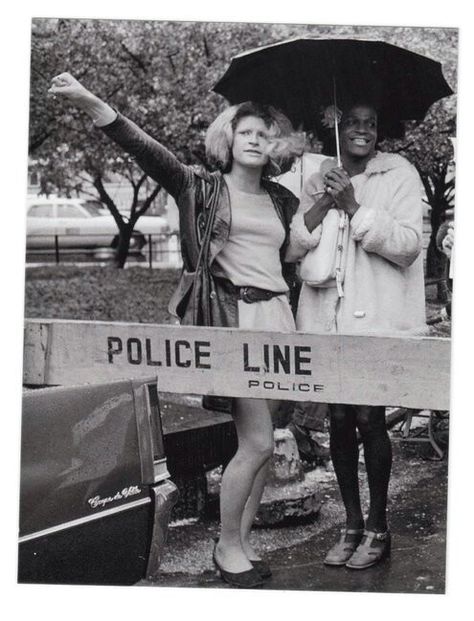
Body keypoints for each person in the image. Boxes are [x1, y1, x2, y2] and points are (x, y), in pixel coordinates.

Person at [49, 72, 303, 588]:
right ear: (228, 139)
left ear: (274, 144)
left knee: (264, 441)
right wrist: (89, 100)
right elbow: (147, 149)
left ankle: (243, 542)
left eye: (264, 132)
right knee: (255, 443)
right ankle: (227, 547)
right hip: (232, 324)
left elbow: (286, 257)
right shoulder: (202, 188)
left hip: (279, 321)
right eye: (245, 130)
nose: (255, 138)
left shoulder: (282, 200)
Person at [288, 102, 427, 569]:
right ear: (338, 127)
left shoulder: (399, 173)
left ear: (378, 130)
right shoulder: (317, 176)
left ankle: (378, 526)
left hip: (376, 319)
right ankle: (350, 524)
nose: (362, 130)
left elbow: (409, 246)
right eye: (352, 123)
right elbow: (293, 245)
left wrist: (355, 207)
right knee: (340, 422)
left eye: (370, 122)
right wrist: (327, 199)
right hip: (327, 318)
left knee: (371, 419)